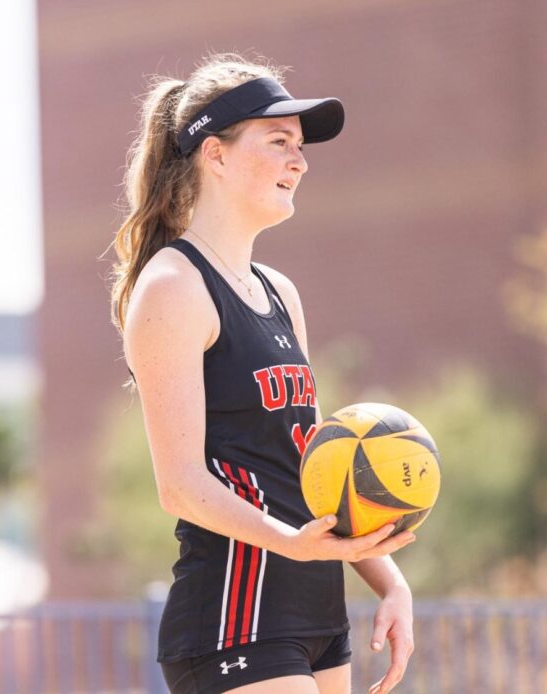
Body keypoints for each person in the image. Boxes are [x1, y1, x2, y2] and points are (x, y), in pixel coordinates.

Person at [109, 53, 416, 694]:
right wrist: (292, 543)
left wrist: (390, 581)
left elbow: (314, 467)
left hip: (316, 612)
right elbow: (182, 486)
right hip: (233, 616)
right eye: (278, 142)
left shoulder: (280, 292)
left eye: (300, 147)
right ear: (214, 154)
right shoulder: (173, 286)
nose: (299, 162)